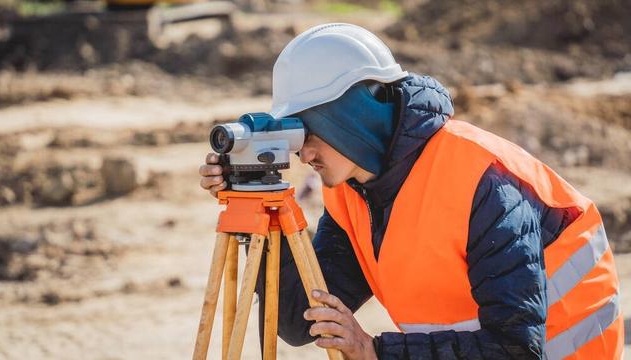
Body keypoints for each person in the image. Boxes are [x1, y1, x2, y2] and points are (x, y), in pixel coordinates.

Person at [199, 23, 623, 359]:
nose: (302, 152)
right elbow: (297, 319)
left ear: (350, 115)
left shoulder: (482, 181)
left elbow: (516, 349)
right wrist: (256, 203)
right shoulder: (354, 191)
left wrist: (377, 352)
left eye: (308, 130)